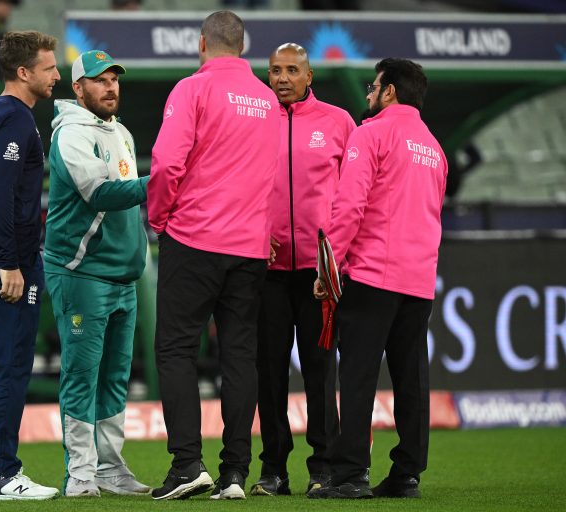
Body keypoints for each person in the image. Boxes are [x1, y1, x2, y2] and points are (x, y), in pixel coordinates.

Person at [148, 10, 281, 501]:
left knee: (177, 351)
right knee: (239, 357)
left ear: (202, 43)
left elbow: (165, 163)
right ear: (242, 47)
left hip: (195, 240)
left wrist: (160, 218)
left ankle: (187, 465)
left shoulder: (192, 89)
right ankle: (234, 475)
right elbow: (269, 178)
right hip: (249, 248)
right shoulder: (268, 100)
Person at [307, 58, 447, 499]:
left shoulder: (370, 134)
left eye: (374, 86)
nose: (368, 93)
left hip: (372, 275)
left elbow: (349, 207)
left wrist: (329, 267)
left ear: (389, 92)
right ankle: (407, 474)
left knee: (358, 375)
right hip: (419, 279)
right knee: (412, 378)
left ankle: (350, 474)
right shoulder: (435, 148)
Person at [45, 49, 151, 498]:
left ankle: (109, 467)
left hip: (122, 275)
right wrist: (162, 182)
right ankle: (81, 474)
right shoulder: (70, 133)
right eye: (99, 80)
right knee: (82, 373)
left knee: (113, 376)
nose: (110, 87)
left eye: (114, 79)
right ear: (78, 88)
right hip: (83, 272)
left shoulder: (119, 130)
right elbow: (102, 193)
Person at [251, 43, 355, 497]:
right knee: (269, 372)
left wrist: (339, 257)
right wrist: (254, 231)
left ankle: (324, 467)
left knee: (319, 370)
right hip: (266, 267)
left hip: (319, 272)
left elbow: (355, 193)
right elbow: (235, 183)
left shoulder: (339, 122)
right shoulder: (253, 118)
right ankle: (273, 468)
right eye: (276, 70)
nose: (283, 78)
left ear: (310, 76)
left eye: (293, 70)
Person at [0, 30, 61, 501]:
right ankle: (2, 473)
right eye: (49, 68)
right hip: (7, 262)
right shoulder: (17, 121)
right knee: (9, 369)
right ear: (24, 73)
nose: (57, 75)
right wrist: (11, 262)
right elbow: (1, 192)